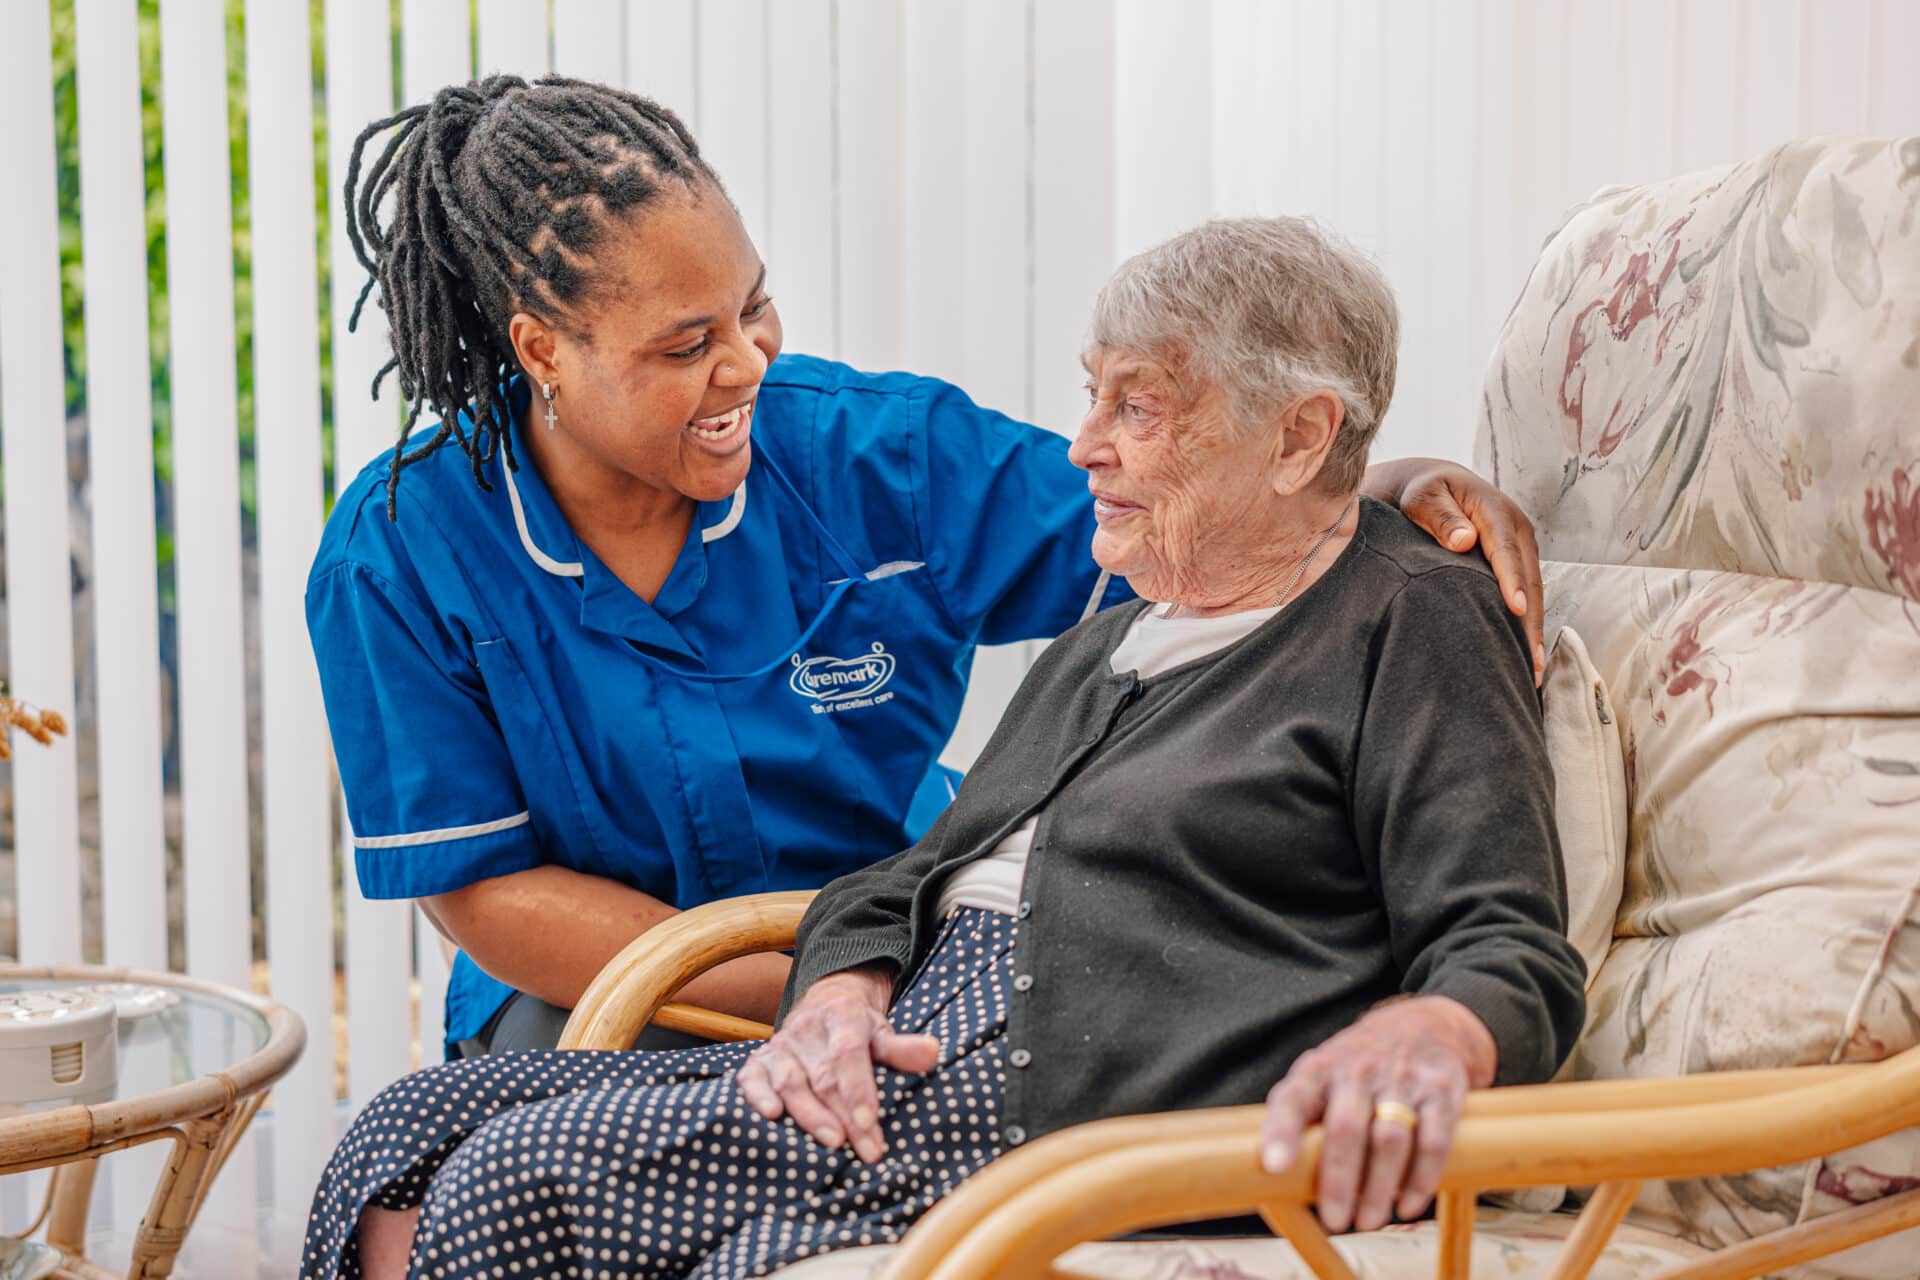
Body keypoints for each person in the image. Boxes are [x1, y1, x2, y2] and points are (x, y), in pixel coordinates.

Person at [302, 216, 1585, 1280]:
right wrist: (843, 989)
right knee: (403, 1130)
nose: (1083, 442)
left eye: (1134, 405)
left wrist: (1435, 1031)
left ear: (1300, 435)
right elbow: (910, 873)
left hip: (1051, 1074)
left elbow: (1506, 939)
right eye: (1093, 393)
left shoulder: (1413, 612)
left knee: (513, 1187)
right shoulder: (1121, 629)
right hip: (901, 1025)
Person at [309, 74, 1551, 1060]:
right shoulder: (402, 554)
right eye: (688, 343)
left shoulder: (879, 455)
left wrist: (1374, 479)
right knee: (437, 1164)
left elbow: (1175, 516)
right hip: (626, 974)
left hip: (904, 956)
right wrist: (813, 985)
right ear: (545, 351)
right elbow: (489, 894)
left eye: (755, 308)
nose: (748, 361)